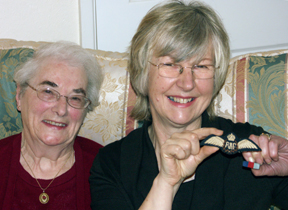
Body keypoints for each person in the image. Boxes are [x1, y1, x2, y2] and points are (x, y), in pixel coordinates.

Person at [89, 1, 288, 209]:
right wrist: (166, 183)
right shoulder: (113, 164)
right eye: (170, 64)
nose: (187, 83)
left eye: (201, 66)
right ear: (143, 72)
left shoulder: (249, 150)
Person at [0, 41, 104, 209]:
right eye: (48, 92)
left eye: (75, 98)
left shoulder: (107, 167)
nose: (61, 110)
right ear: (19, 96)